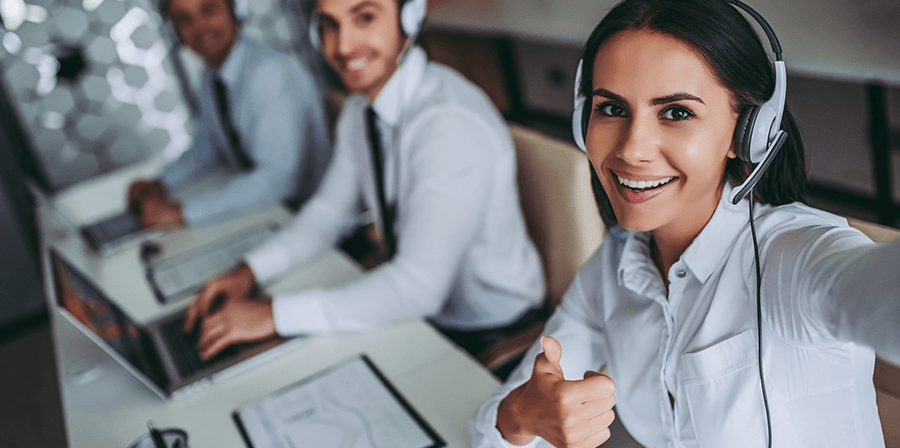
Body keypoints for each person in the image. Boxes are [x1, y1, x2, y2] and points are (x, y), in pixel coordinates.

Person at [470, 0, 900, 447]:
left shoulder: (795, 258)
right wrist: (521, 415)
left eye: (676, 112)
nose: (633, 150)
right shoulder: (612, 267)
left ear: (748, 132)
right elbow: (489, 432)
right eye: (612, 109)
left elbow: (868, 290)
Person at [180, 0, 546, 362]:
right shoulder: (361, 111)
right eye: (329, 25)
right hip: (420, 313)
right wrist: (249, 270)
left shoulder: (447, 124)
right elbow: (326, 215)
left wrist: (273, 314)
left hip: (488, 329)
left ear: (409, 17)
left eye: (365, 17)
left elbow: (418, 288)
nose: (342, 45)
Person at [128, 0, 331, 228]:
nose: (200, 26)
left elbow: (277, 180)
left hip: (310, 220)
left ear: (234, 10)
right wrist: (162, 183)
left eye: (209, 9)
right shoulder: (212, 75)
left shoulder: (271, 74)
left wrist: (182, 212)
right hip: (270, 213)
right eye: (184, 19)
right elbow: (208, 146)